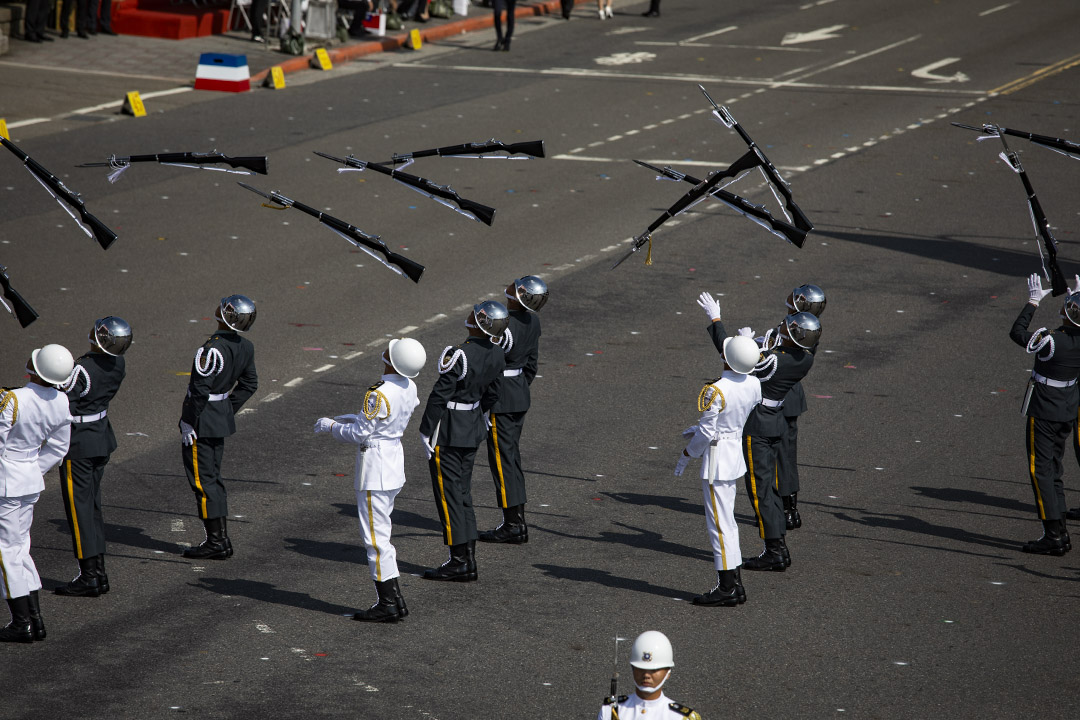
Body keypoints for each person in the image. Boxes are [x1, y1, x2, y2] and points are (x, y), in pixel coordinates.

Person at [699, 291, 819, 571]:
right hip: (774, 419)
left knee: (760, 491)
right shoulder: (804, 356)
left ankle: (774, 550)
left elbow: (733, 356)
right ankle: (779, 547)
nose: (782, 330)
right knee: (769, 490)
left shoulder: (776, 361)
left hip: (759, 425)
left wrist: (717, 321)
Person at [314, 338, 426, 623]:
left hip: (375, 468)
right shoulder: (409, 386)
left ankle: (387, 602)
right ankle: (395, 600)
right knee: (381, 534)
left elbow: (359, 434)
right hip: (393, 461)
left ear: (392, 359)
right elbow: (387, 422)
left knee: (376, 540)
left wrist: (332, 426)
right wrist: (357, 419)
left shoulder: (378, 392)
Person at [418, 301, 507, 581]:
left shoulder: (459, 354)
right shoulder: (497, 353)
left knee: (449, 496)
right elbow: (493, 393)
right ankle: (467, 559)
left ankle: (459, 561)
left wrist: (425, 429)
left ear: (478, 323)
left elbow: (439, 395)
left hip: (449, 429)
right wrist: (476, 413)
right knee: (463, 494)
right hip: (471, 428)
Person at [675, 335, 761, 606]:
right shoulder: (755, 383)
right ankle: (734, 584)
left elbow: (707, 431)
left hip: (717, 458)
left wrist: (688, 452)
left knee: (719, 526)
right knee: (729, 523)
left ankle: (727, 587)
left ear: (726, 358)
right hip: (734, 453)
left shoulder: (717, 389)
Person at [0, 344, 74, 643]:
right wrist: (31, 467)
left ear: (33, 368)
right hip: (30, 480)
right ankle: (34, 620)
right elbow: (58, 448)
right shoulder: (61, 401)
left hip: (6, 481)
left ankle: (21, 623)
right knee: (19, 547)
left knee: (5, 552)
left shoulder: (14, 398)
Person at [54, 317, 131, 598]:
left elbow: (62, 397)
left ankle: (89, 576)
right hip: (100, 437)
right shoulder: (117, 363)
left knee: (80, 513)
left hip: (80, 443)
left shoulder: (83, 368)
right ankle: (98, 573)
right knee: (93, 510)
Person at [179, 296, 258, 560]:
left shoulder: (211, 349)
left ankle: (215, 541)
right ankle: (220, 539)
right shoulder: (245, 346)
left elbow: (200, 391)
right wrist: (225, 410)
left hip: (202, 420)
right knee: (213, 479)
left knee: (203, 482)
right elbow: (249, 384)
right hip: (218, 419)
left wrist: (188, 420)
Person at [1009, 274, 1080, 555]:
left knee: (1041, 471)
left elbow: (1018, 332)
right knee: (1055, 469)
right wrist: (1074, 298)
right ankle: (1060, 530)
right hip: (1067, 408)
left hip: (1044, 408)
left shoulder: (1051, 340)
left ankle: (1053, 533)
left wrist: (1032, 301)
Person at [479, 276, 547, 545]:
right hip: (518, 392)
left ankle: (514, 524)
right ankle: (514, 520)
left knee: (503, 462)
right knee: (511, 459)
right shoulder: (533, 321)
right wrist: (518, 386)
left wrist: (485, 399)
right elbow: (531, 364)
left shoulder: (504, 326)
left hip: (502, 398)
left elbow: (492, 363)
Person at [774, 284, 826, 531]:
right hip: (791, 399)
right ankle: (789, 509)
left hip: (779, 399)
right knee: (786, 458)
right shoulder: (807, 328)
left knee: (777, 460)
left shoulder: (801, 330)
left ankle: (785, 510)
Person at [598, 631, 700, 720]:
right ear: (632, 669)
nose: (646, 675)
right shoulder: (610, 710)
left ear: (668, 672)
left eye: (654, 670)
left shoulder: (681, 717)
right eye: (641, 669)